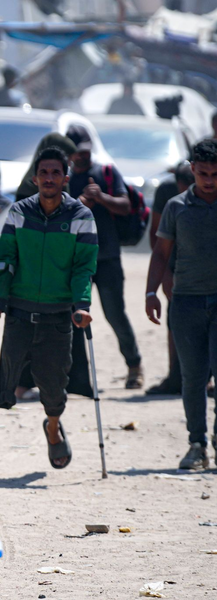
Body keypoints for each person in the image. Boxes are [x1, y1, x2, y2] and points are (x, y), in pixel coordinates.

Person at [0, 146, 98, 469]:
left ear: (65, 178)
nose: (49, 178)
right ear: (34, 178)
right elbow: (5, 260)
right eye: (43, 172)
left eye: (55, 173)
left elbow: (83, 268)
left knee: (54, 385)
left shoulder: (81, 217)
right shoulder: (19, 212)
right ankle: (33, 414)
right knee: (7, 388)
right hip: (19, 311)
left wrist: (81, 305)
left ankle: (52, 426)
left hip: (58, 314)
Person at [146, 140, 217, 470]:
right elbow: (161, 253)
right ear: (192, 170)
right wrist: (151, 293)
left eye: (215, 174)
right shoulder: (177, 207)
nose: (209, 180)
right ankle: (196, 443)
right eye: (203, 173)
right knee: (192, 377)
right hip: (186, 302)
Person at [66, 125, 144, 389]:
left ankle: (134, 366)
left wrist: (101, 198)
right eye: (78, 153)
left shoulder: (105, 172)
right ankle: (76, 378)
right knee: (74, 317)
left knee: (114, 314)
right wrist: (81, 203)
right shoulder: (62, 179)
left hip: (107, 257)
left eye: (86, 151)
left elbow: (125, 206)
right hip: (76, 262)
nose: (83, 157)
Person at [146, 162, 194, 395]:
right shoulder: (169, 196)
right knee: (175, 322)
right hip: (177, 268)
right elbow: (157, 239)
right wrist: (164, 277)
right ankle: (176, 377)